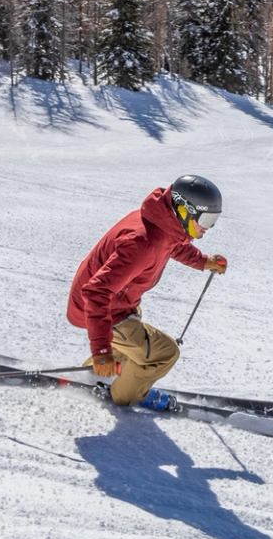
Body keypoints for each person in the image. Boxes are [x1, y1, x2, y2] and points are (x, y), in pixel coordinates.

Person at [67, 174, 228, 406]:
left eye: (213, 220)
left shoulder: (162, 223)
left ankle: (91, 376)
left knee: (134, 346)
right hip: (101, 309)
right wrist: (101, 351)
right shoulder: (142, 243)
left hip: (119, 305)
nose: (208, 228)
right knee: (165, 353)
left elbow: (172, 246)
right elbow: (96, 293)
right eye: (205, 220)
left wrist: (203, 261)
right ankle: (121, 394)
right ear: (184, 210)